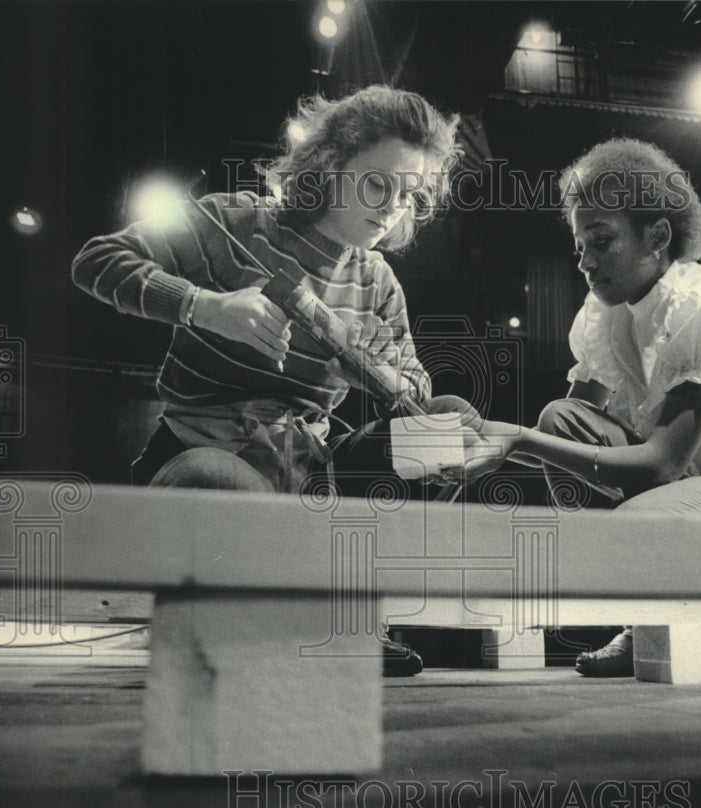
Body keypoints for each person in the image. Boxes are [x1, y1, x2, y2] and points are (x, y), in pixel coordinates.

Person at [72, 85, 473, 675]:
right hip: (215, 454)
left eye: (410, 196)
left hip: (312, 475)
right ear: (331, 164)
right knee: (208, 480)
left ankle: (353, 612)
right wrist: (204, 306)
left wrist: (379, 375)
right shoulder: (231, 221)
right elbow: (96, 261)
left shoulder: (379, 281)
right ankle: (263, 619)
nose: (392, 208)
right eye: (378, 183)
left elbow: (412, 383)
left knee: (443, 430)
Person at [458, 138, 701, 677]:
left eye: (602, 241)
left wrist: (518, 440)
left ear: (657, 237)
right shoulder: (600, 311)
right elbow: (572, 433)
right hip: (691, 488)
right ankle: (647, 614)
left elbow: (661, 464)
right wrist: (489, 442)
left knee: (639, 520)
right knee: (558, 418)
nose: (585, 262)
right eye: (579, 245)